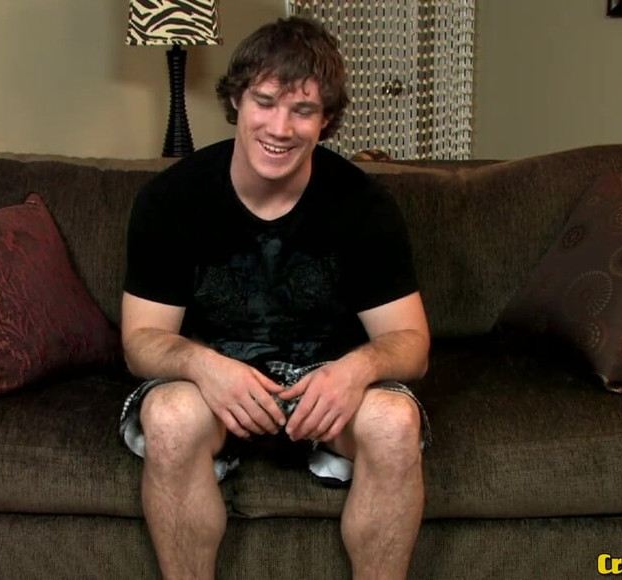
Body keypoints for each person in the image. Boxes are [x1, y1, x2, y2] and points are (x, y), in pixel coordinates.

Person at [119, 16, 431, 580]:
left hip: (326, 393)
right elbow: (140, 341)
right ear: (236, 99)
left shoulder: (364, 204)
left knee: (394, 421)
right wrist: (202, 365)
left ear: (326, 118)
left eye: (302, 110)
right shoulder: (171, 199)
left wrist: (356, 370)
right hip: (215, 389)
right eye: (265, 102)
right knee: (168, 414)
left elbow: (412, 343)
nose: (280, 128)